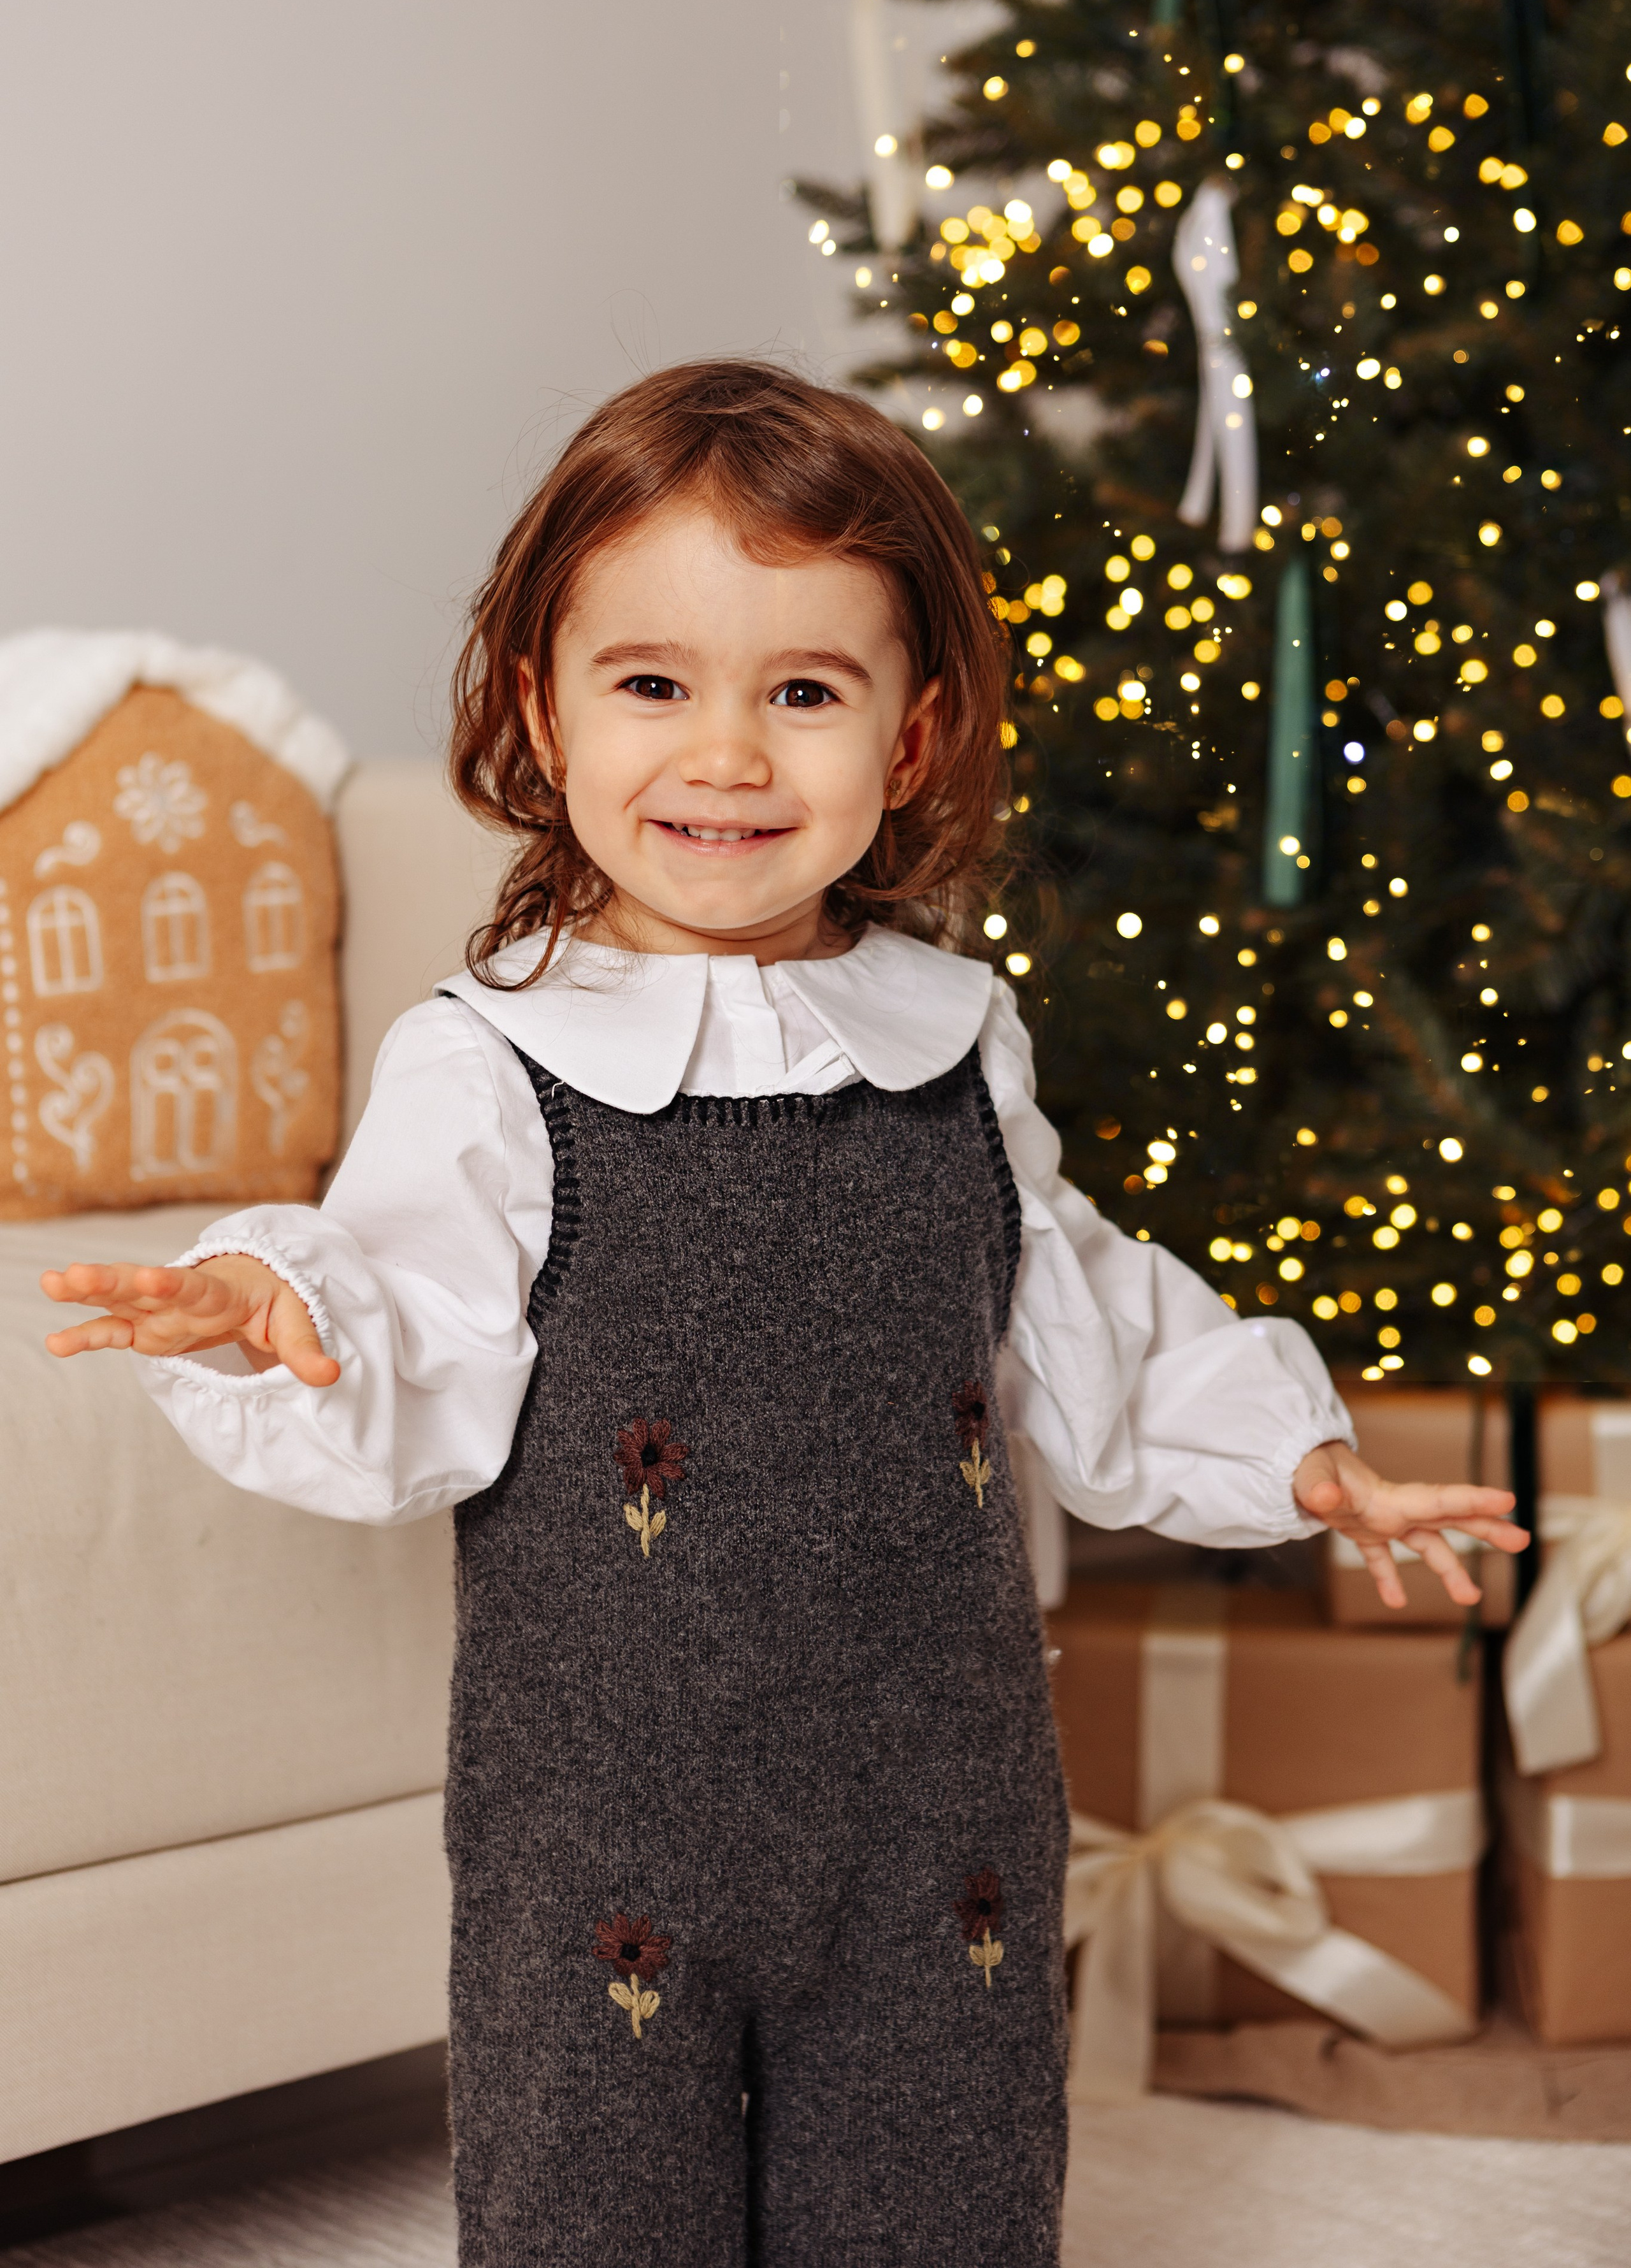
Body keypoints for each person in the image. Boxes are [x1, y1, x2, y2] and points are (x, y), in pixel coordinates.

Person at [41, 361, 1526, 2267]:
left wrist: (1305, 1459)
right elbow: (399, 1313)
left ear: (908, 742)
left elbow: (1078, 1305)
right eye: (653, 684)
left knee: (945, 2201)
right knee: (597, 2217)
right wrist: (269, 1304)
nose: (727, 756)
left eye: (803, 693)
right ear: (541, 709)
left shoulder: (955, 1038)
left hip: (945, 1806)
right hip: (603, 1829)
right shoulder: (491, 1062)